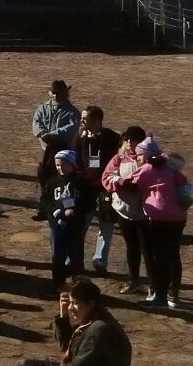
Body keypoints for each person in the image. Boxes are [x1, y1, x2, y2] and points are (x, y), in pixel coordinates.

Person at [122, 137, 188, 308]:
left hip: (158, 218)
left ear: (146, 155)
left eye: (139, 155)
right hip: (178, 216)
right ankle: (173, 295)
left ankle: (159, 297)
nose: (137, 158)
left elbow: (131, 184)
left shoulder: (147, 169)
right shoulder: (170, 167)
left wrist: (116, 181)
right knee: (173, 255)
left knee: (159, 258)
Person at [16, 279, 132, 366]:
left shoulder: (99, 330)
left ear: (90, 304)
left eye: (75, 303)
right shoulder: (93, 318)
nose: (70, 308)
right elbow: (66, 347)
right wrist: (64, 315)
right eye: (70, 302)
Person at [69, 106, 121, 275]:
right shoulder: (79, 138)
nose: (82, 121)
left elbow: (117, 162)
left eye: (85, 118)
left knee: (105, 225)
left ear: (97, 120)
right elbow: (74, 160)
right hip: (84, 190)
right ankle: (73, 259)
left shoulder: (112, 138)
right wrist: (83, 179)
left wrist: (102, 182)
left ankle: (100, 261)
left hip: (104, 190)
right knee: (80, 226)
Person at [35, 150, 93, 292]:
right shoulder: (53, 181)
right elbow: (44, 201)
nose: (60, 168)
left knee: (75, 257)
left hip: (75, 226)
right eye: (58, 165)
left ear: (72, 165)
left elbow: (88, 203)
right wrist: (56, 212)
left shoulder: (81, 183)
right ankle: (58, 285)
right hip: (56, 225)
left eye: (63, 165)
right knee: (57, 257)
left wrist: (76, 211)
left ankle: (78, 287)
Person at [101, 126, 149, 295]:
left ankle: (155, 284)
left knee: (148, 249)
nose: (129, 143)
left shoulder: (150, 158)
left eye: (133, 139)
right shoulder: (119, 158)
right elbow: (107, 177)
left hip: (146, 213)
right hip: (125, 210)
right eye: (127, 139)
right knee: (132, 247)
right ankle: (134, 279)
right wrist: (122, 182)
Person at [34, 80, 81, 192]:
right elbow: (36, 122)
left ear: (65, 93)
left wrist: (52, 135)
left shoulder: (73, 112)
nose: (55, 95)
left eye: (58, 93)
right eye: (53, 92)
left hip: (63, 150)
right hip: (46, 149)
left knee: (62, 176)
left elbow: (72, 127)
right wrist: (42, 134)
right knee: (43, 173)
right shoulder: (43, 108)